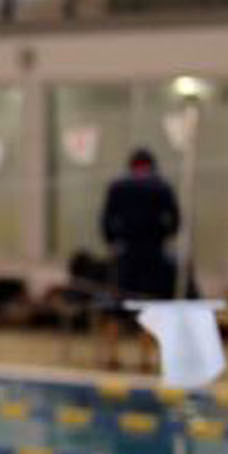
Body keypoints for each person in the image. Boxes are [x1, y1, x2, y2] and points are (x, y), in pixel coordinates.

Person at [97, 147, 181, 372]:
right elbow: (175, 219)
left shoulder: (119, 186)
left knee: (116, 306)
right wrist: (162, 236)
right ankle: (146, 360)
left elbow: (105, 219)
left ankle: (112, 357)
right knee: (150, 305)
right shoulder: (161, 186)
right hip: (153, 252)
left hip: (126, 252)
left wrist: (113, 241)